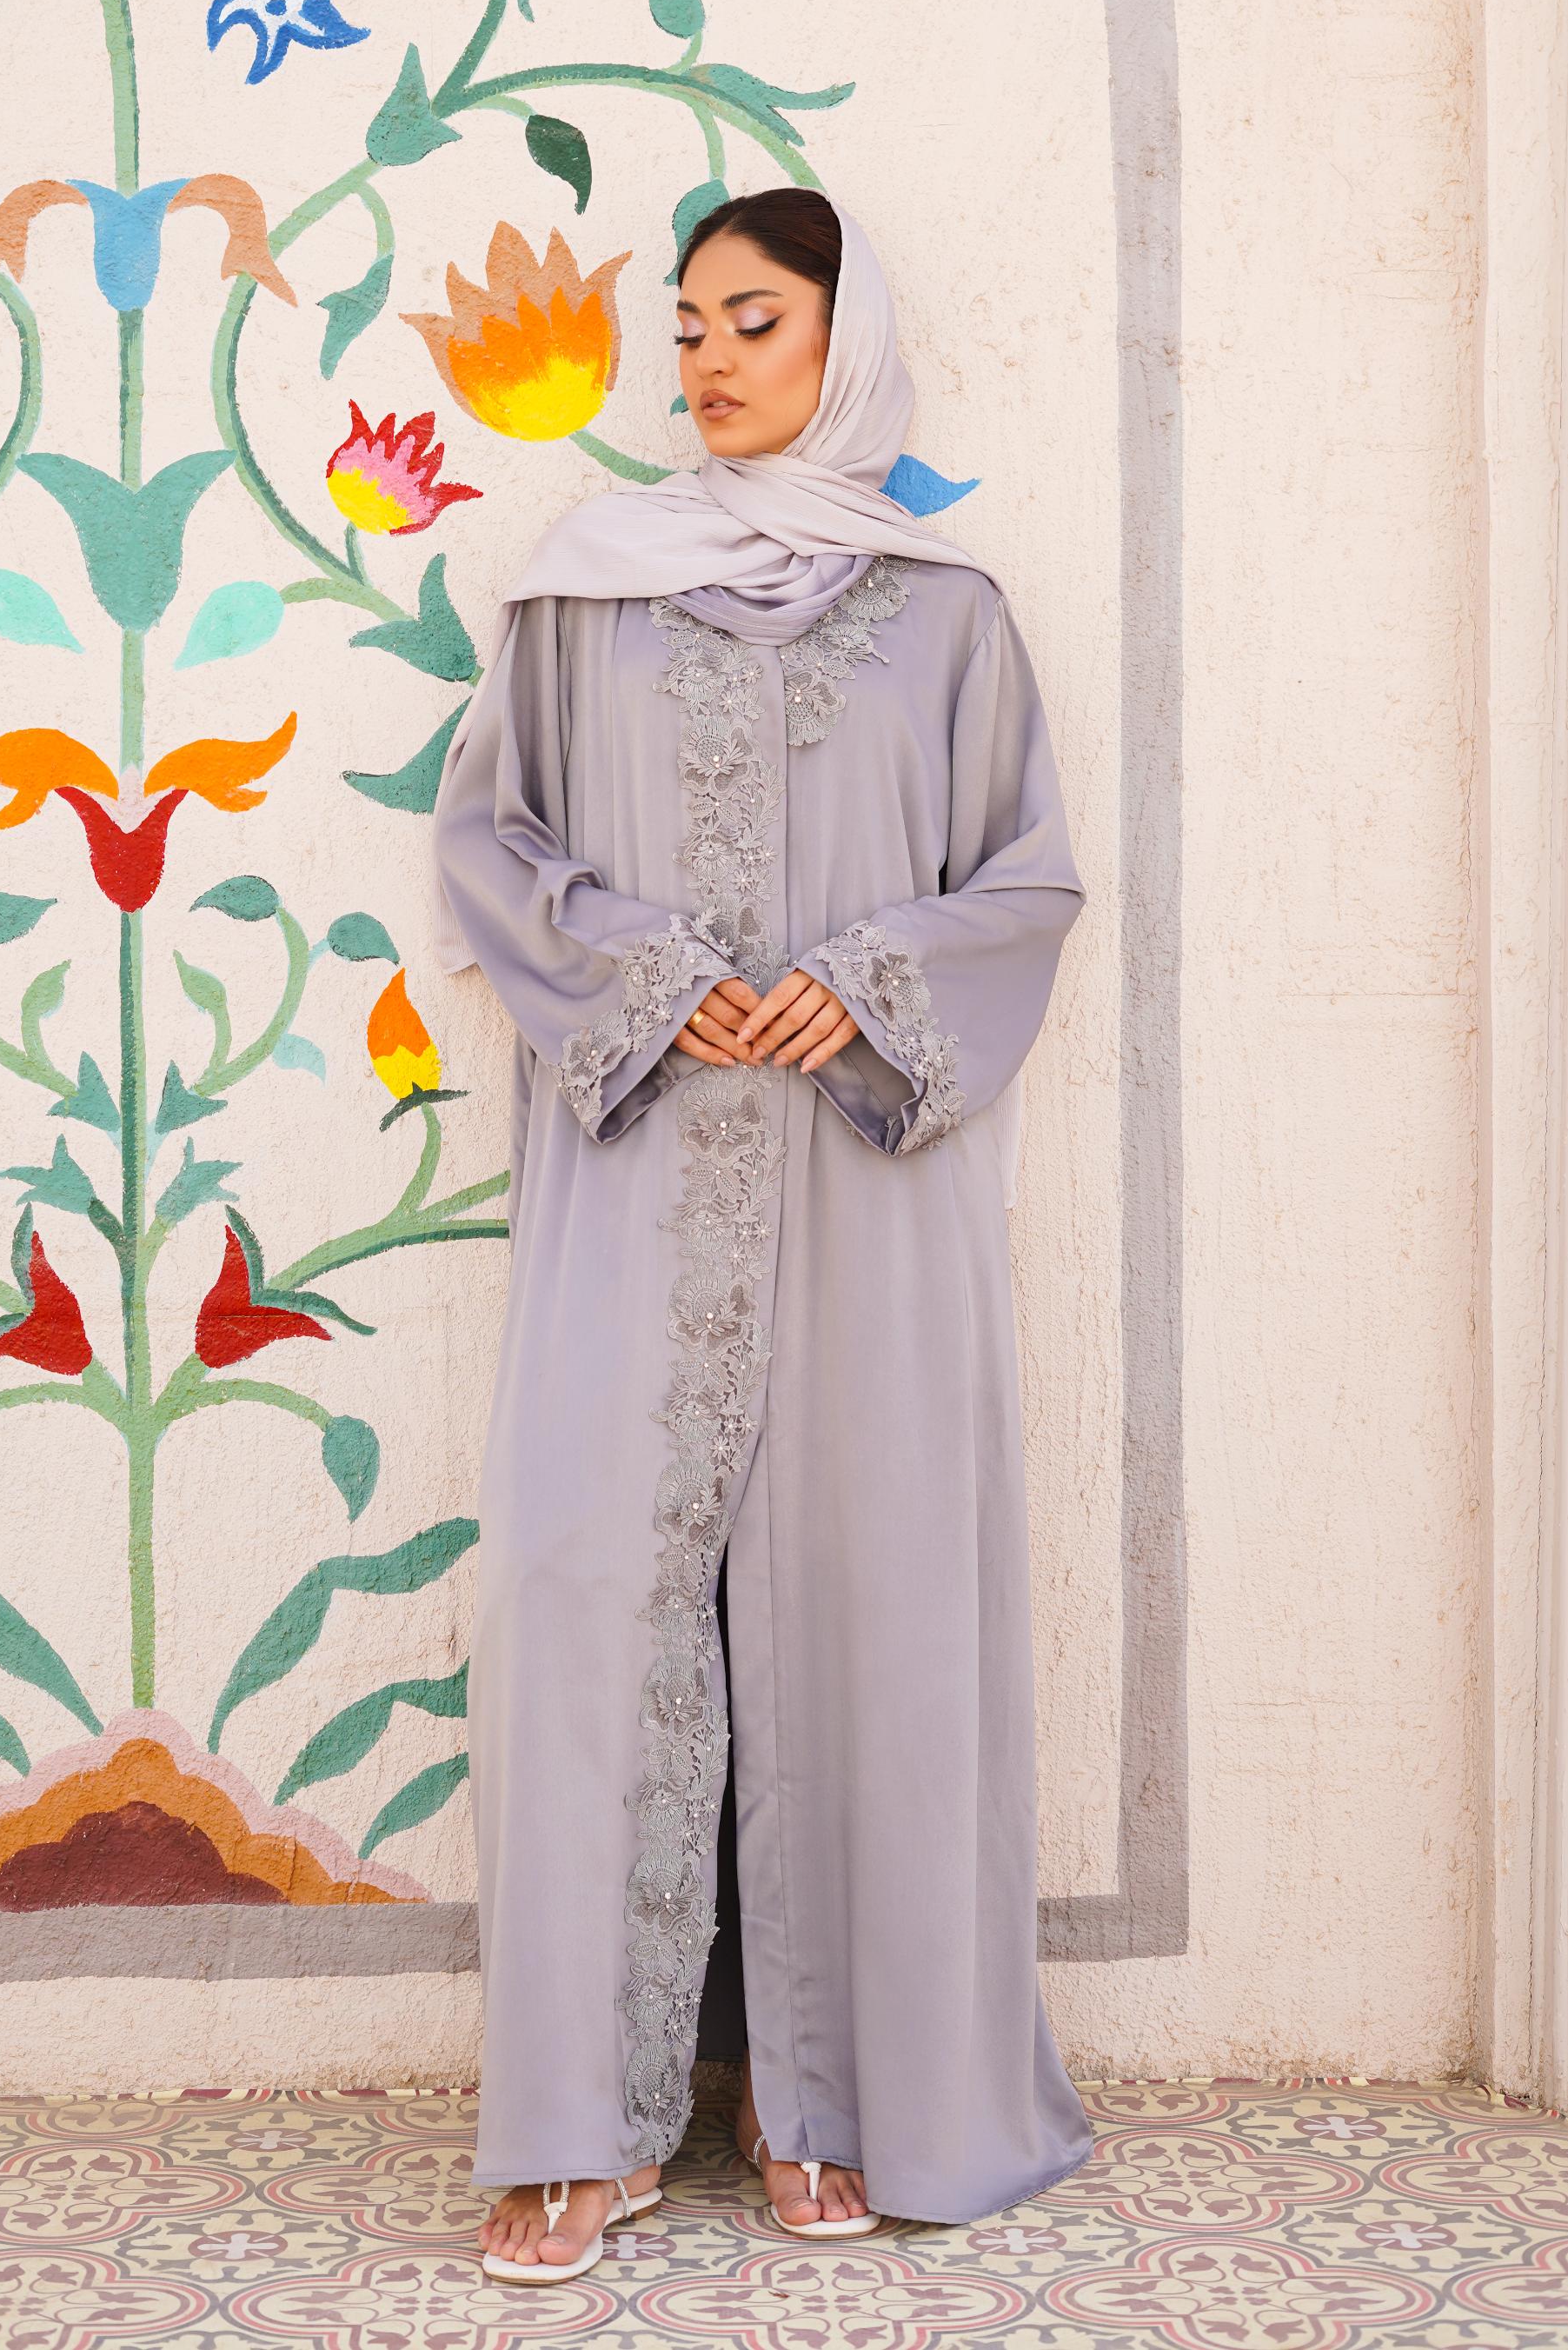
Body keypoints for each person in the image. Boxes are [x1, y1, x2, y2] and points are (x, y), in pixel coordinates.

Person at [430, 189, 1093, 2284]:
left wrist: (869, 983)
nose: (705, 361)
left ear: (841, 340)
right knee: (580, 1593)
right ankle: (575, 2119)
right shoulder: (583, 590)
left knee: (866, 1604)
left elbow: (1024, 883)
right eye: (688, 325)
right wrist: (645, 972)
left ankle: (840, 2098)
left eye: (751, 320)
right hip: (637, 1167)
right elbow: (492, 840)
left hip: (866, 1186)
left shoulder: (948, 613)